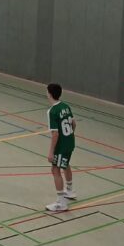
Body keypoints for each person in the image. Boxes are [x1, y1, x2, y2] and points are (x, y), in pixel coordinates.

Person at [45, 82, 76, 213]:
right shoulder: (66, 106)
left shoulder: (52, 111)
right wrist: (69, 136)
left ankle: (61, 203)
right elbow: (73, 123)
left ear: (50, 94)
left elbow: (55, 134)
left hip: (61, 145)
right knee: (66, 164)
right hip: (70, 142)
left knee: (55, 169)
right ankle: (70, 191)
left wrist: (51, 152)